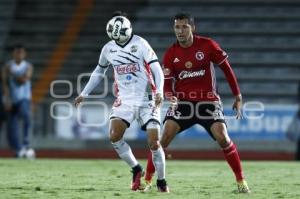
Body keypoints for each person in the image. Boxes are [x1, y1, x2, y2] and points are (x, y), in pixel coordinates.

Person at [143, 13, 250, 193]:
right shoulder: (171, 53)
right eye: (177, 27)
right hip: (183, 103)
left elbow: (226, 68)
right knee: (163, 138)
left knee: (223, 137)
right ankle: (146, 181)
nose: (180, 31)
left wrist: (237, 96)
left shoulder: (207, 45)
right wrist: (170, 95)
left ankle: (241, 181)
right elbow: (167, 82)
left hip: (208, 101)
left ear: (193, 28)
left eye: (184, 27)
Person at [74, 11, 169, 192]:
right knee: (114, 136)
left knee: (154, 143)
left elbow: (157, 69)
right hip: (124, 100)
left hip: (147, 100)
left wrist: (160, 91)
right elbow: (98, 72)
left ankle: (162, 182)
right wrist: (84, 93)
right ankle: (136, 168)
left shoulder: (141, 44)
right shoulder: (108, 48)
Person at [2, 44, 34, 158]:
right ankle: (18, 149)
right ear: (13, 53)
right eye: (17, 52)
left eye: (21, 53)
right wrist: (6, 99)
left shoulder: (28, 67)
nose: (18, 55)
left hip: (24, 98)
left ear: (24, 54)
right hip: (12, 99)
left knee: (26, 117)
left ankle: (26, 144)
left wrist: (13, 73)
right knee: (11, 126)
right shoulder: (7, 66)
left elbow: (24, 80)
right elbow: (5, 84)